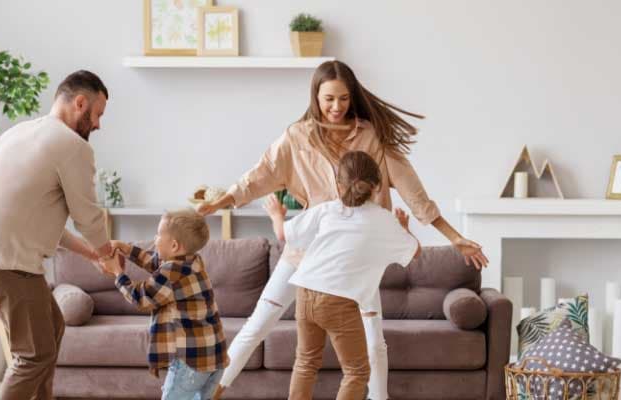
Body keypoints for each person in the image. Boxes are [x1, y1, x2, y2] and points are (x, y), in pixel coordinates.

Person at [197, 60, 488, 400]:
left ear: (353, 97)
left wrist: (455, 237)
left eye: (344, 99)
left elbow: (414, 193)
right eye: (329, 99)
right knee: (258, 325)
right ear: (315, 97)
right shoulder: (297, 137)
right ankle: (211, 394)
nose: (337, 107)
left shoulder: (371, 136)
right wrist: (223, 201)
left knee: (374, 343)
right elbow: (260, 175)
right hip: (306, 255)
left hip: (355, 261)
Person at [0, 70, 115, 400]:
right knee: (33, 355)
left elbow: (34, 220)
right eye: (97, 114)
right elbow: (87, 216)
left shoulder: (19, 133)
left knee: (52, 328)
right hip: (5, 259)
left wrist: (93, 254)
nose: (98, 125)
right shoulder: (72, 145)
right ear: (80, 103)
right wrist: (108, 253)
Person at [265, 151, 420, 400]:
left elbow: (283, 234)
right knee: (357, 371)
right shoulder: (383, 219)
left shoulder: (327, 210)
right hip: (337, 301)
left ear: (338, 183)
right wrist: (404, 229)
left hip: (305, 293)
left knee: (306, 362)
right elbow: (415, 252)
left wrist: (277, 216)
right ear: (377, 186)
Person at [100, 209, 229, 400]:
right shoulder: (192, 261)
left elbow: (141, 298)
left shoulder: (171, 273)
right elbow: (156, 263)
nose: (155, 238)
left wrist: (117, 272)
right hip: (215, 358)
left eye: (158, 234)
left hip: (191, 362)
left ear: (174, 245)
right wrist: (125, 249)